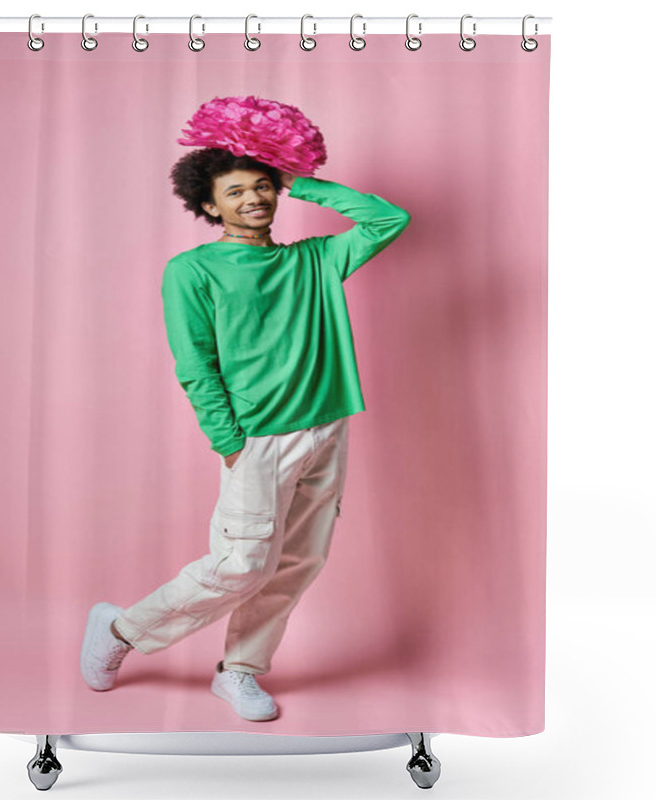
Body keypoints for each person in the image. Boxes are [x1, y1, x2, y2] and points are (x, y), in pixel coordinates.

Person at [80, 147, 411, 721]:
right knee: (241, 564)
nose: (252, 198)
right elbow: (195, 362)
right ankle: (120, 628)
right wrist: (228, 439)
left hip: (327, 427)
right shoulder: (193, 270)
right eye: (235, 191)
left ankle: (239, 672)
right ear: (209, 204)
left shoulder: (317, 261)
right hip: (257, 439)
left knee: (299, 561)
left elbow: (389, 220)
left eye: (261, 186)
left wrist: (300, 182)